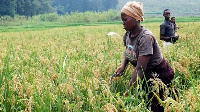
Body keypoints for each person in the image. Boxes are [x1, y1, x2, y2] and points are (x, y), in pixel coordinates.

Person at [114, 1, 175, 112]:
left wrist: (127, 92)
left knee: (157, 106)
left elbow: (139, 70)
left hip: (159, 75)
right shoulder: (128, 34)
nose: (123, 23)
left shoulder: (145, 37)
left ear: (136, 18)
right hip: (145, 76)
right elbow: (127, 51)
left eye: (125, 19)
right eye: (122, 20)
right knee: (145, 102)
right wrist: (123, 66)